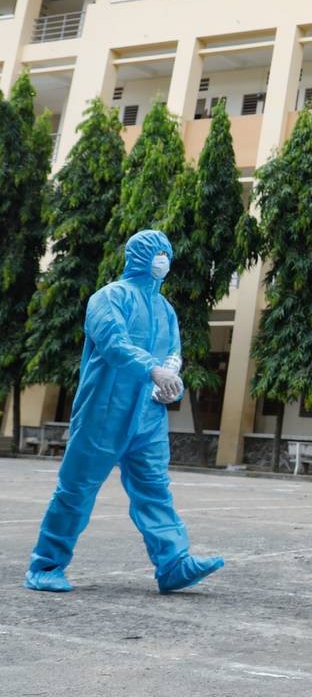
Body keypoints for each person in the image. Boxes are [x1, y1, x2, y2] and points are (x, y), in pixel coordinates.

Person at [24, 230, 225, 594]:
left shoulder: (165, 310)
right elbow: (115, 344)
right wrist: (153, 369)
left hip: (148, 414)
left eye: (167, 252)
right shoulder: (109, 297)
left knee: (155, 490)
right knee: (76, 490)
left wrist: (169, 379)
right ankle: (46, 565)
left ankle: (173, 564)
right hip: (103, 411)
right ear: (139, 256)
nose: (163, 259)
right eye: (157, 252)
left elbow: (173, 353)